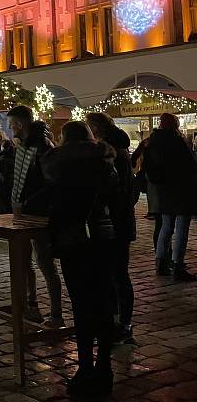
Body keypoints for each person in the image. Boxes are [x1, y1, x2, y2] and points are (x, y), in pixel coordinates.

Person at [42, 121, 117, 396]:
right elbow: (115, 192)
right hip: (103, 234)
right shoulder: (104, 160)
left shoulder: (58, 164)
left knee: (81, 304)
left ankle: (85, 367)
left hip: (73, 238)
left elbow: (53, 197)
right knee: (103, 302)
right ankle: (105, 366)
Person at [1, 105, 63, 328]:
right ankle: (31, 306)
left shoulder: (42, 147)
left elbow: (50, 182)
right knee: (24, 260)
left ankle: (56, 313)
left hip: (39, 213)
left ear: (20, 124)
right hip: (22, 210)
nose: (10, 129)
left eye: (12, 124)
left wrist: (29, 201)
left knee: (45, 262)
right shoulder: (22, 147)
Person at [86, 112, 136, 343]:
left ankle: (122, 323)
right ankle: (117, 321)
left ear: (97, 129)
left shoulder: (113, 155)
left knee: (117, 274)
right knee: (114, 274)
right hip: (119, 220)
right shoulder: (118, 151)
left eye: (91, 128)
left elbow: (117, 192)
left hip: (115, 221)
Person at [144, 113, 197, 280]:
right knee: (181, 228)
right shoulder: (176, 141)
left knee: (166, 226)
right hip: (181, 190)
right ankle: (178, 265)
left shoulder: (153, 141)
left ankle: (161, 262)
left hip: (164, 190)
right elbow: (189, 164)